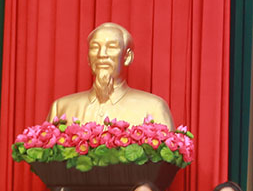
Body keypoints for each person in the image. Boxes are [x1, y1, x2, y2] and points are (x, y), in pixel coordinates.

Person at [46, 22, 174, 126]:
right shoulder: (61, 108)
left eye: (112, 47)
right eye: (95, 47)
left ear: (127, 57)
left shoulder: (153, 108)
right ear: (88, 58)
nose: (101, 54)